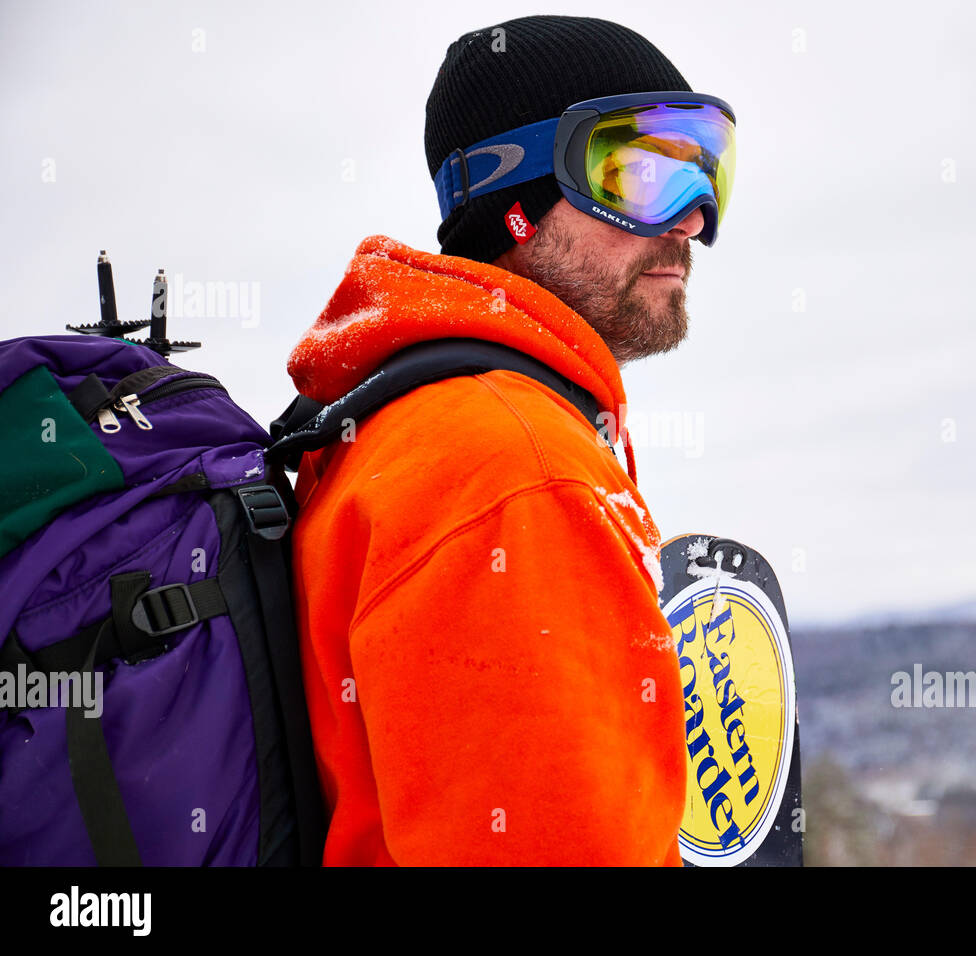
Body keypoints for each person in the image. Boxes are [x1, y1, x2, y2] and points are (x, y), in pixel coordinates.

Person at [284, 15, 736, 865]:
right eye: (641, 175)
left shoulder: (402, 417)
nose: (690, 221)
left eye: (707, 176)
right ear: (514, 200)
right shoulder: (513, 470)